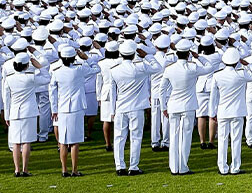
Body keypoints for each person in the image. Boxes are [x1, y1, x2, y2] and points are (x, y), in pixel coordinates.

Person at [159, 39, 215, 175]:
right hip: (188, 106)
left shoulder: (169, 69)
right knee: (186, 137)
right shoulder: (192, 67)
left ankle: (174, 167)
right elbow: (210, 67)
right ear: (188, 54)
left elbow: (162, 90)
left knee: (174, 136)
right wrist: (199, 57)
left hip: (173, 105)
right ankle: (183, 167)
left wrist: (163, 107)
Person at [110, 40, 162, 176]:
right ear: (134, 54)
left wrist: (112, 111)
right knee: (136, 137)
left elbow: (112, 92)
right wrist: (147, 56)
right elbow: (158, 67)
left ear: (121, 54)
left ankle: (119, 166)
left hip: (120, 108)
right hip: (136, 108)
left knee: (119, 138)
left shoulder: (115, 69)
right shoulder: (141, 67)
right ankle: (133, 166)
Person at [49, 46, 100, 177]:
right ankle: (74, 170)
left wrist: (54, 109)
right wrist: (86, 58)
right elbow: (97, 69)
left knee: (63, 141)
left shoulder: (57, 71)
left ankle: (64, 170)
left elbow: (52, 92)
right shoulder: (79, 69)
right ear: (73, 58)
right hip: (76, 107)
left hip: (62, 108)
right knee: (74, 141)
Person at [209, 47, 252, 175]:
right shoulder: (242, 73)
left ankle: (222, 167)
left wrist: (212, 113)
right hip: (237, 112)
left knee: (222, 140)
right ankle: (235, 167)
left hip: (223, 112)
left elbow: (213, 97)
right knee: (236, 140)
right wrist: (248, 64)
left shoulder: (217, 75)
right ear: (237, 61)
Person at [3, 53, 49, 177]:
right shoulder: (31, 77)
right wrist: (40, 66)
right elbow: (47, 78)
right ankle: (24, 169)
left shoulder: (9, 78)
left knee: (16, 142)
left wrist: (7, 116)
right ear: (26, 65)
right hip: (29, 112)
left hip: (14, 112)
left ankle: (17, 170)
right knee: (26, 142)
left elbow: (6, 99)